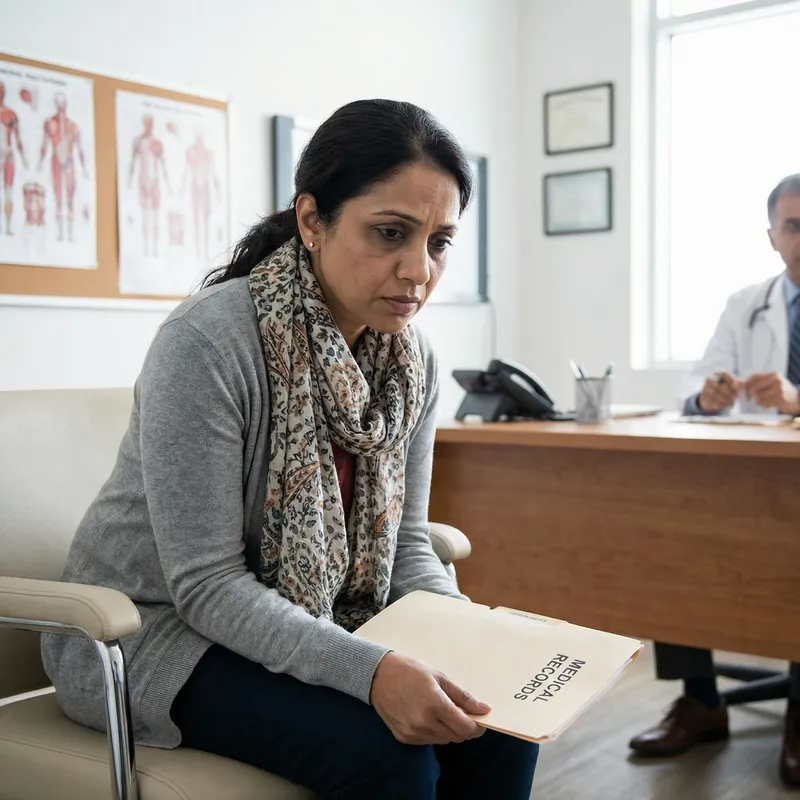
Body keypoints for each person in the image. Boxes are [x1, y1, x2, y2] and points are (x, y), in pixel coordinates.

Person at [41, 99, 538, 799]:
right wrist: (373, 671)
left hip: (312, 619)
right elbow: (206, 585)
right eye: (390, 233)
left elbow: (407, 547)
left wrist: (465, 641)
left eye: (439, 242)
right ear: (312, 220)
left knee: (498, 720)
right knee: (386, 757)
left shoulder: (411, 361)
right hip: (152, 637)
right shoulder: (209, 342)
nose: (418, 271)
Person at [629, 173, 800, 786]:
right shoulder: (744, 303)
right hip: (746, 476)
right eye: (793, 226)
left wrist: (796, 397)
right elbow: (693, 390)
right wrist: (708, 396)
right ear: (772, 235)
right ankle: (701, 700)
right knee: (678, 539)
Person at [38, 92, 87, 242]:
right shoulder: (50, 123)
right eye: (58, 104)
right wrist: (39, 163)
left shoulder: (73, 126)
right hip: (56, 160)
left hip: (69, 161)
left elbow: (80, 149)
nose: (61, 108)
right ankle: (60, 233)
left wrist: (84, 169)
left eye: (63, 104)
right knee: (58, 196)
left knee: (70, 196)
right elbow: (45, 145)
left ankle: (70, 234)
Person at [128, 113, 170, 257]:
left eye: (150, 123)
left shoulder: (157, 143)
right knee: (145, 215)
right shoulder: (138, 141)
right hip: (143, 180)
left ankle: (155, 248)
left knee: (155, 215)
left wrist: (168, 184)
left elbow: (163, 164)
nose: (148, 126)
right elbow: (133, 162)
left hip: (154, 181)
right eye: (146, 123)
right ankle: (147, 248)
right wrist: (129, 181)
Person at [0, 80, 28, 235]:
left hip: (8, 153)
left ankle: (8, 226)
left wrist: (23, 158)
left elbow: (17, 139)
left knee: (8, 192)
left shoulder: (10, 114)